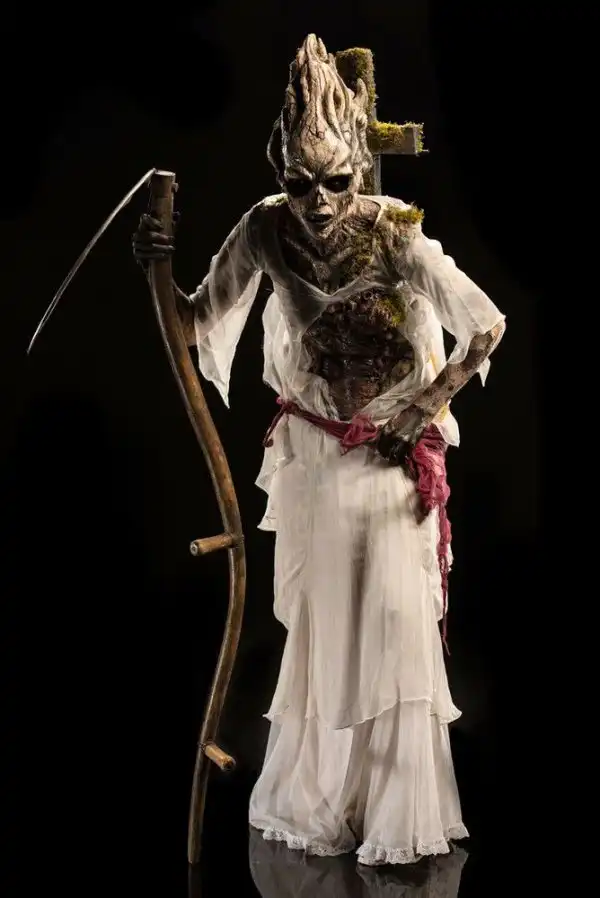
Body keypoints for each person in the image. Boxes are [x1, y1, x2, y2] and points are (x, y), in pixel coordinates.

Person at [132, 34, 505, 866]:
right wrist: (156, 269)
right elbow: (192, 321)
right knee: (326, 627)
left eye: (336, 181)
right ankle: (327, 798)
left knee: (394, 624)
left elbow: (486, 324)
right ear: (280, 173)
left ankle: (397, 813)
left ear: (359, 169)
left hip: (391, 466)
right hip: (317, 463)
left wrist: (426, 405)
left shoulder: (397, 234)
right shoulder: (265, 228)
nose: (319, 202)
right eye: (299, 182)